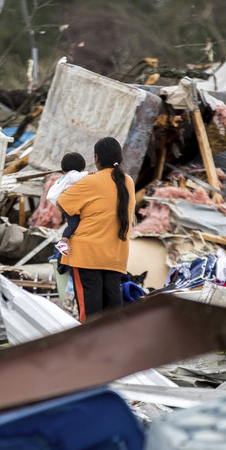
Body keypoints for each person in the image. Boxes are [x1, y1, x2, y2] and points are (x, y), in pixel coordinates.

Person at [57, 137, 135, 322]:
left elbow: (62, 203)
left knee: (90, 311)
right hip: (115, 255)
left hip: (87, 255)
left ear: (96, 158)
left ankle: (91, 347)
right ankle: (112, 346)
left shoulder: (90, 181)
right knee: (112, 309)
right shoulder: (128, 182)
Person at [45, 152, 88, 256]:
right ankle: (62, 243)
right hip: (66, 204)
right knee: (74, 224)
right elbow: (78, 177)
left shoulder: (65, 177)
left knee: (72, 224)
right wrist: (88, 174)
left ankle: (64, 242)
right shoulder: (73, 175)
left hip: (62, 203)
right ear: (81, 167)